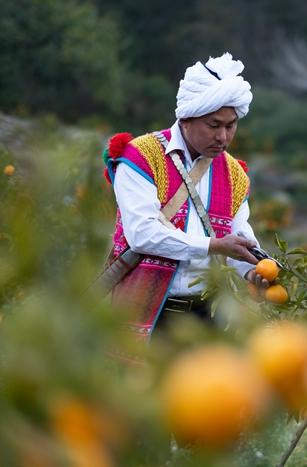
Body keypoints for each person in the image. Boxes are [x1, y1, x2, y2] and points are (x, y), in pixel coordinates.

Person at [102, 53, 269, 339]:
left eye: (231, 126)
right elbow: (142, 233)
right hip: (143, 309)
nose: (223, 137)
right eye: (214, 125)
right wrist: (213, 245)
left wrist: (254, 272)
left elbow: (238, 238)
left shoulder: (234, 174)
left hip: (206, 315)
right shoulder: (142, 156)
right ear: (187, 118)